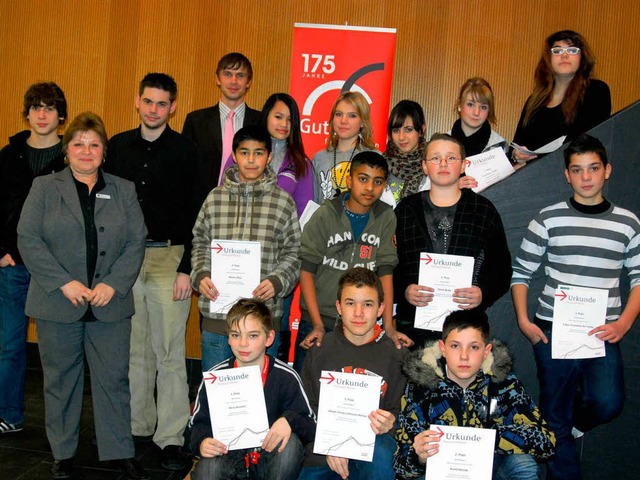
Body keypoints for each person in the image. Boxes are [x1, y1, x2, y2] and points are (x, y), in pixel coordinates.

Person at [16, 112, 149, 480]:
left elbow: (137, 241)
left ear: (104, 151)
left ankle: (119, 451)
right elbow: (28, 239)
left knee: (113, 379)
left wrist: (114, 284)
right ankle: (63, 453)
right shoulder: (44, 188)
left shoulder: (123, 189)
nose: (86, 151)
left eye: (94, 145)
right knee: (60, 380)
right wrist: (63, 282)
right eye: (78, 144)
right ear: (66, 150)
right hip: (59, 302)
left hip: (111, 303)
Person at [511, 133, 640, 480]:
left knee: (608, 402)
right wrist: (524, 321)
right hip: (553, 329)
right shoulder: (547, 218)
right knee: (555, 417)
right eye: (577, 170)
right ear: (567, 175)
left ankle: (576, 423)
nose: (586, 177)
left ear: (607, 170)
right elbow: (521, 273)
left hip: (604, 332)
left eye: (593, 168)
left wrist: (625, 323)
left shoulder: (628, 223)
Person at [105, 73, 198, 471]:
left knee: (170, 352)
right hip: (126, 259)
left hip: (168, 257)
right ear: (137, 101)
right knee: (134, 349)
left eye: (162, 103)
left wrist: (186, 268)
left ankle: (171, 437)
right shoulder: (118, 147)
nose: (154, 109)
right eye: (148, 102)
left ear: (172, 107)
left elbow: (197, 215)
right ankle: (138, 426)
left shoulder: (186, 151)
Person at [393, 310, 555, 479]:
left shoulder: (504, 384)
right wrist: (419, 458)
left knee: (523, 464)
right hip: (439, 473)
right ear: (443, 348)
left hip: (490, 469)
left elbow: (546, 443)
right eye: (455, 346)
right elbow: (400, 467)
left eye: (474, 347)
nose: (464, 356)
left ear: (486, 351)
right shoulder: (421, 386)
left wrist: (491, 438)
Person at [191, 125, 301, 371]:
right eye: (244, 152)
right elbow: (199, 242)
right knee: (218, 394)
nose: (251, 160)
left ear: (269, 157)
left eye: (259, 153)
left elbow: (294, 252)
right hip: (218, 319)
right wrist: (200, 275)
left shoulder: (283, 202)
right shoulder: (214, 198)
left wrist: (277, 281)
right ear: (234, 155)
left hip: (262, 320)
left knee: (261, 397)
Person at [296, 151, 411, 371]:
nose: (369, 188)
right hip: (321, 320)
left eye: (377, 182)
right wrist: (317, 323)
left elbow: (386, 273)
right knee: (309, 393)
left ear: (384, 185)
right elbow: (307, 271)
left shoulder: (386, 217)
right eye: (363, 179)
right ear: (349, 180)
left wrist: (388, 325)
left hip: (362, 326)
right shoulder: (326, 214)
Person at [394, 133, 511, 348]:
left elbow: (502, 268)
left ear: (464, 164)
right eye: (435, 158)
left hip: (466, 328)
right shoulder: (405, 210)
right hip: (412, 327)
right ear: (425, 166)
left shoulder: (483, 211)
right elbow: (388, 264)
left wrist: (483, 293)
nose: (443, 164)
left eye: (451, 158)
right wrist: (404, 290)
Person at [0, 82, 67, 435]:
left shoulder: (72, 158)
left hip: (56, 271)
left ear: (61, 116)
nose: (42, 114)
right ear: (27, 113)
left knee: (56, 352)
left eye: (50, 107)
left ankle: (57, 424)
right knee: (9, 345)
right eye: (36, 107)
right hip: (14, 266)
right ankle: (9, 414)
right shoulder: (8, 156)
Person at [299, 267, 408, 480]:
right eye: (350, 303)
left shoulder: (397, 356)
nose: (358, 313)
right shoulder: (320, 349)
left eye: (367, 304)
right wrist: (330, 444)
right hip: (326, 454)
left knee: (383, 453)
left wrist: (391, 423)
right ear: (339, 307)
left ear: (380, 308)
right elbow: (305, 410)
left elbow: (405, 414)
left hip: (373, 453)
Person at [189, 298, 315, 480]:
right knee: (207, 470)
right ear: (228, 338)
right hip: (226, 454)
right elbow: (197, 424)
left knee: (290, 447)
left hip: (269, 457)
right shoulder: (216, 377)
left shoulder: (286, 376)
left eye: (253, 335)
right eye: (235, 335)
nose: (243, 343)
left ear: (269, 338)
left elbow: (310, 425)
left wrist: (289, 420)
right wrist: (202, 442)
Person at [512, 30, 611, 166]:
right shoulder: (534, 101)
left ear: (582, 57)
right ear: (548, 59)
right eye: (557, 51)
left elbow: (591, 139)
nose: (564, 55)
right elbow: (517, 143)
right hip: (536, 177)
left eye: (572, 50)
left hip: (577, 175)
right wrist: (517, 154)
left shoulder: (596, 90)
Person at [182, 52, 261, 204]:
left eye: (240, 75)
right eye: (228, 74)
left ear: (249, 82)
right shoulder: (196, 121)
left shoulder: (260, 122)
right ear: (217, 79)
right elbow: (185, 171)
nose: (233, 81)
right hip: (203, 207)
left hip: (248, 207)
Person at [312, 91, 376, 203]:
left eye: (352, 115)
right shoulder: (319, 158)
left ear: (362, 122)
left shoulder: (374, 158)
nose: (343, 121)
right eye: (338, 114)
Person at [382, 100, 427, 200]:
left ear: (421, 130)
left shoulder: (433, 164)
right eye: (396, 130)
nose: (401, 137)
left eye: (408, 129)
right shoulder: (380, 165)